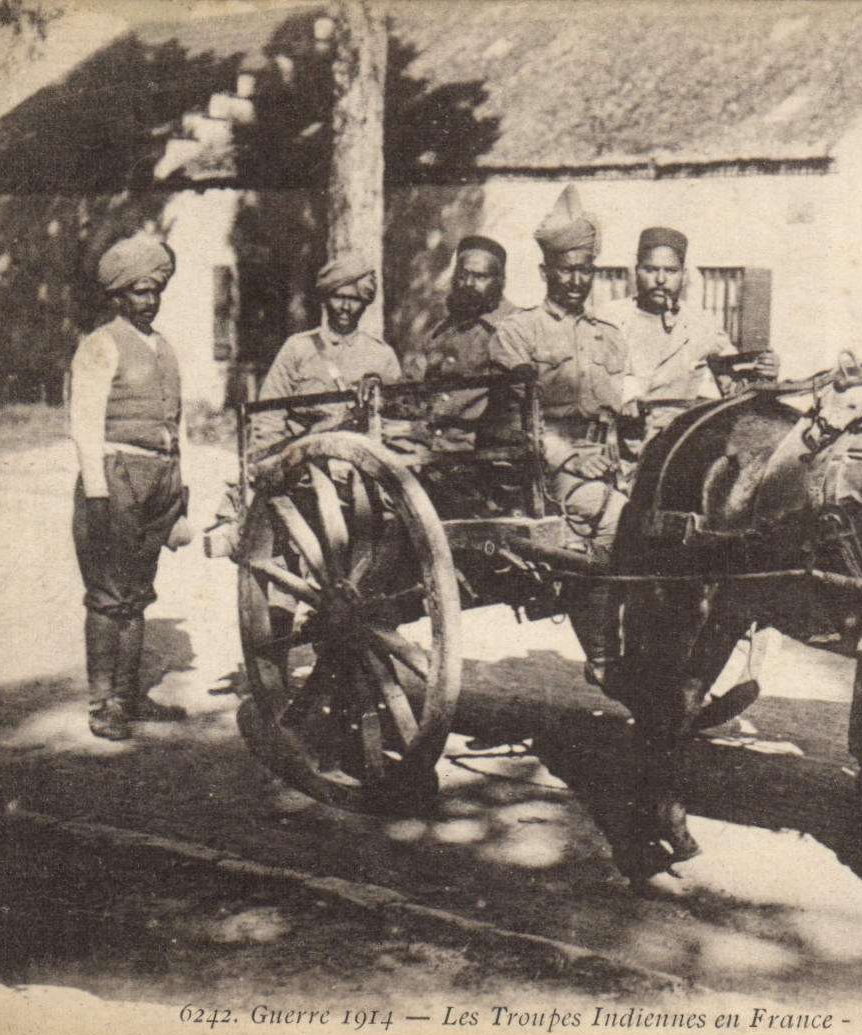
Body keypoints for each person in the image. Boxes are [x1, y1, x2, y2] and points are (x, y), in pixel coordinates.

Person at [490, 185, 628, 685]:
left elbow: (628, 412)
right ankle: (603, 653)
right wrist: (567, 459)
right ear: (546, 272)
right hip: (542, 470)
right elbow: (512, 419)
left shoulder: (609, 334)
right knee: (616, 518)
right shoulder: (517, 333)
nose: (576, 280)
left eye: (585, 270)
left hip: (608, 459)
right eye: (566, 270)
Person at [71, 234, 193, 740]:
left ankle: (131, 695)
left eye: (155, 290)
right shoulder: (100, 344)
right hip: (116, 477)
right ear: (119, 297)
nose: (149, 300)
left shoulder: (163, 347)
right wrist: (99, 496)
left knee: (138, 595)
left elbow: (176, 427)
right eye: (139, 292)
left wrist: (180, 499)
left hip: (158, 481)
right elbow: (84, 424)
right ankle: (104, 704)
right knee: (108, 595)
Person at [600, 225, 778, 452]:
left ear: (684, 275)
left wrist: (764, 372)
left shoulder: (702, 324)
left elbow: (733, 384)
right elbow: (588, 378)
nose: (661, 280)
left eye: (671, 271)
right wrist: (625, 395)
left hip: (688, 443)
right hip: (627, 442)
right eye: (651, 270)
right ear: (637, 272)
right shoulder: (610, 319)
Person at [253, 255, 400, 445]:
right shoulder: (298, 348)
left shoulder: (381, 355)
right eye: (338, 297)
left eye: (354, 299)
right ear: (325, 298)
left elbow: (396, 423)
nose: (346, 307)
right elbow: (268, 417)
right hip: (305, 460)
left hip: (363, 462)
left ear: (365, 303)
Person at [404, 235, 519, 450]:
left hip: (481, 458)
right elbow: (410, 387)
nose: (468, 284)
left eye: (480, 277)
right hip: (430, 447)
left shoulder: (514, 328)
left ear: (499, 281)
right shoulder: (441, 331)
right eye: (462, 276)